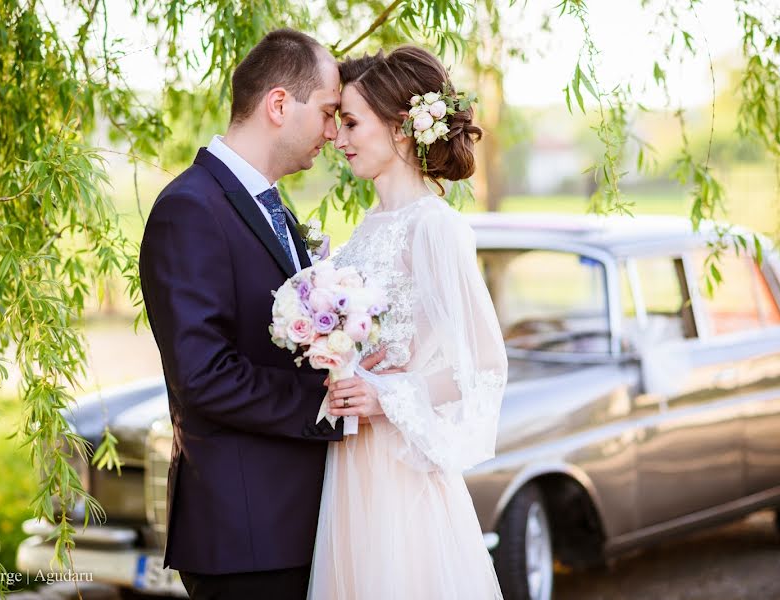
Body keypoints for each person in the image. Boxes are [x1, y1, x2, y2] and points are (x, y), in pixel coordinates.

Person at [139, 29, 385, 599]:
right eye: (327, 112)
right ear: (279, 104)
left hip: (290, 526)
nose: (332, 131)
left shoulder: (265, 205)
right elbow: (204, 377)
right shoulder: (190, 210)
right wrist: (328, 403)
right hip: (248, 537)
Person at [306, 45, 508, 599]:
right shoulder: (364, 230)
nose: (338, 139)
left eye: (350, 123)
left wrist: (387, 397)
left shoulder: (435, 227)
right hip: (349, 464)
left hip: (400, 468)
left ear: (401, 129)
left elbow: (485, 366)